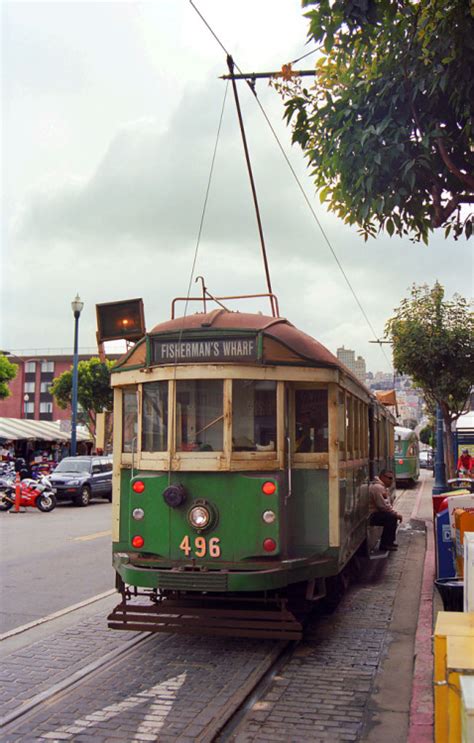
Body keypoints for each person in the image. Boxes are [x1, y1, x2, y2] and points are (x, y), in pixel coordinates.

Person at [369, 469, 403, 551]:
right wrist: (396, 514)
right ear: (382, 477)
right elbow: (383, 506)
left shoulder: (380, 486)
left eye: (392, 479)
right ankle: (386, 544)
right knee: (391, 517)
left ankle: (389, 542)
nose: (391, 481)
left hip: (375, 513)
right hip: (371, 515)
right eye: (389, 478)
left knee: (391, 516)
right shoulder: (378, 488)